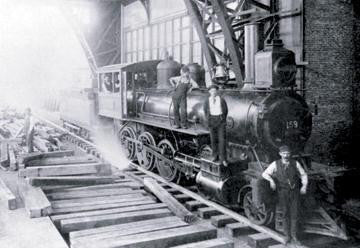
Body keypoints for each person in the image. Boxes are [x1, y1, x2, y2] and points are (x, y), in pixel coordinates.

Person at [262, 145, 308, 245]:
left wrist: (304, 186)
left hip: (294, 192)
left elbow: (303, 174)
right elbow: (264, 174)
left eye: (287, 153)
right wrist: (271, 181)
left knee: (295, 214)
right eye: (284, 153)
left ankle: (294, 236)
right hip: (282, 192)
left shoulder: (295, 163)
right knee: (285, 213)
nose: (286, 155)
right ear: (280, 154)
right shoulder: (275, 164)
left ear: (290, 154)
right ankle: (287, 236)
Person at [203, 84, 228, 166]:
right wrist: (208, 120)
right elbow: (205, 110)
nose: (213, 92)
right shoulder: (207, 100)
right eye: (212, 91)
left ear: (217, 91)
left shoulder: (221, 100)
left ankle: (223, 159)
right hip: (211, 121)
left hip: (220, 121)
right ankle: (215, 156)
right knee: (213, 140)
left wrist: (222, 119)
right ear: (209, 92)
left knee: (222, 140)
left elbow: (225, 110)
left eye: (214, 91)